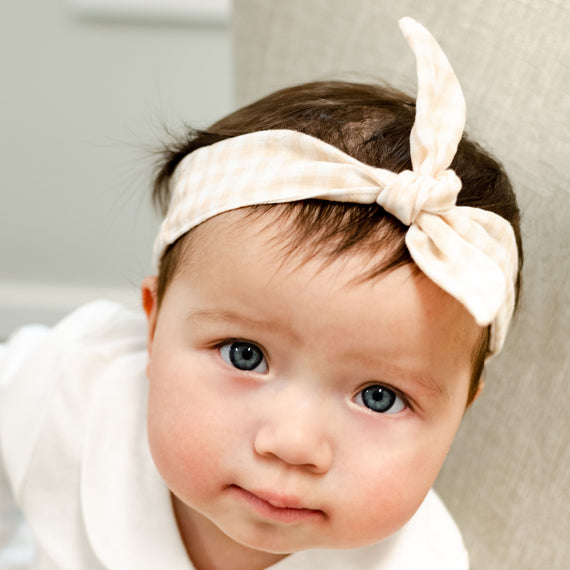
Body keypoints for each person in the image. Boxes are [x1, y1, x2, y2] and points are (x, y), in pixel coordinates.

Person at [0, 17, 522, 570]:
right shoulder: (80, 380)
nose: (293, 445)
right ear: (153, 327)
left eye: (380, 397)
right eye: (244, 355)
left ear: (459, 410)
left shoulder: (417, 561)